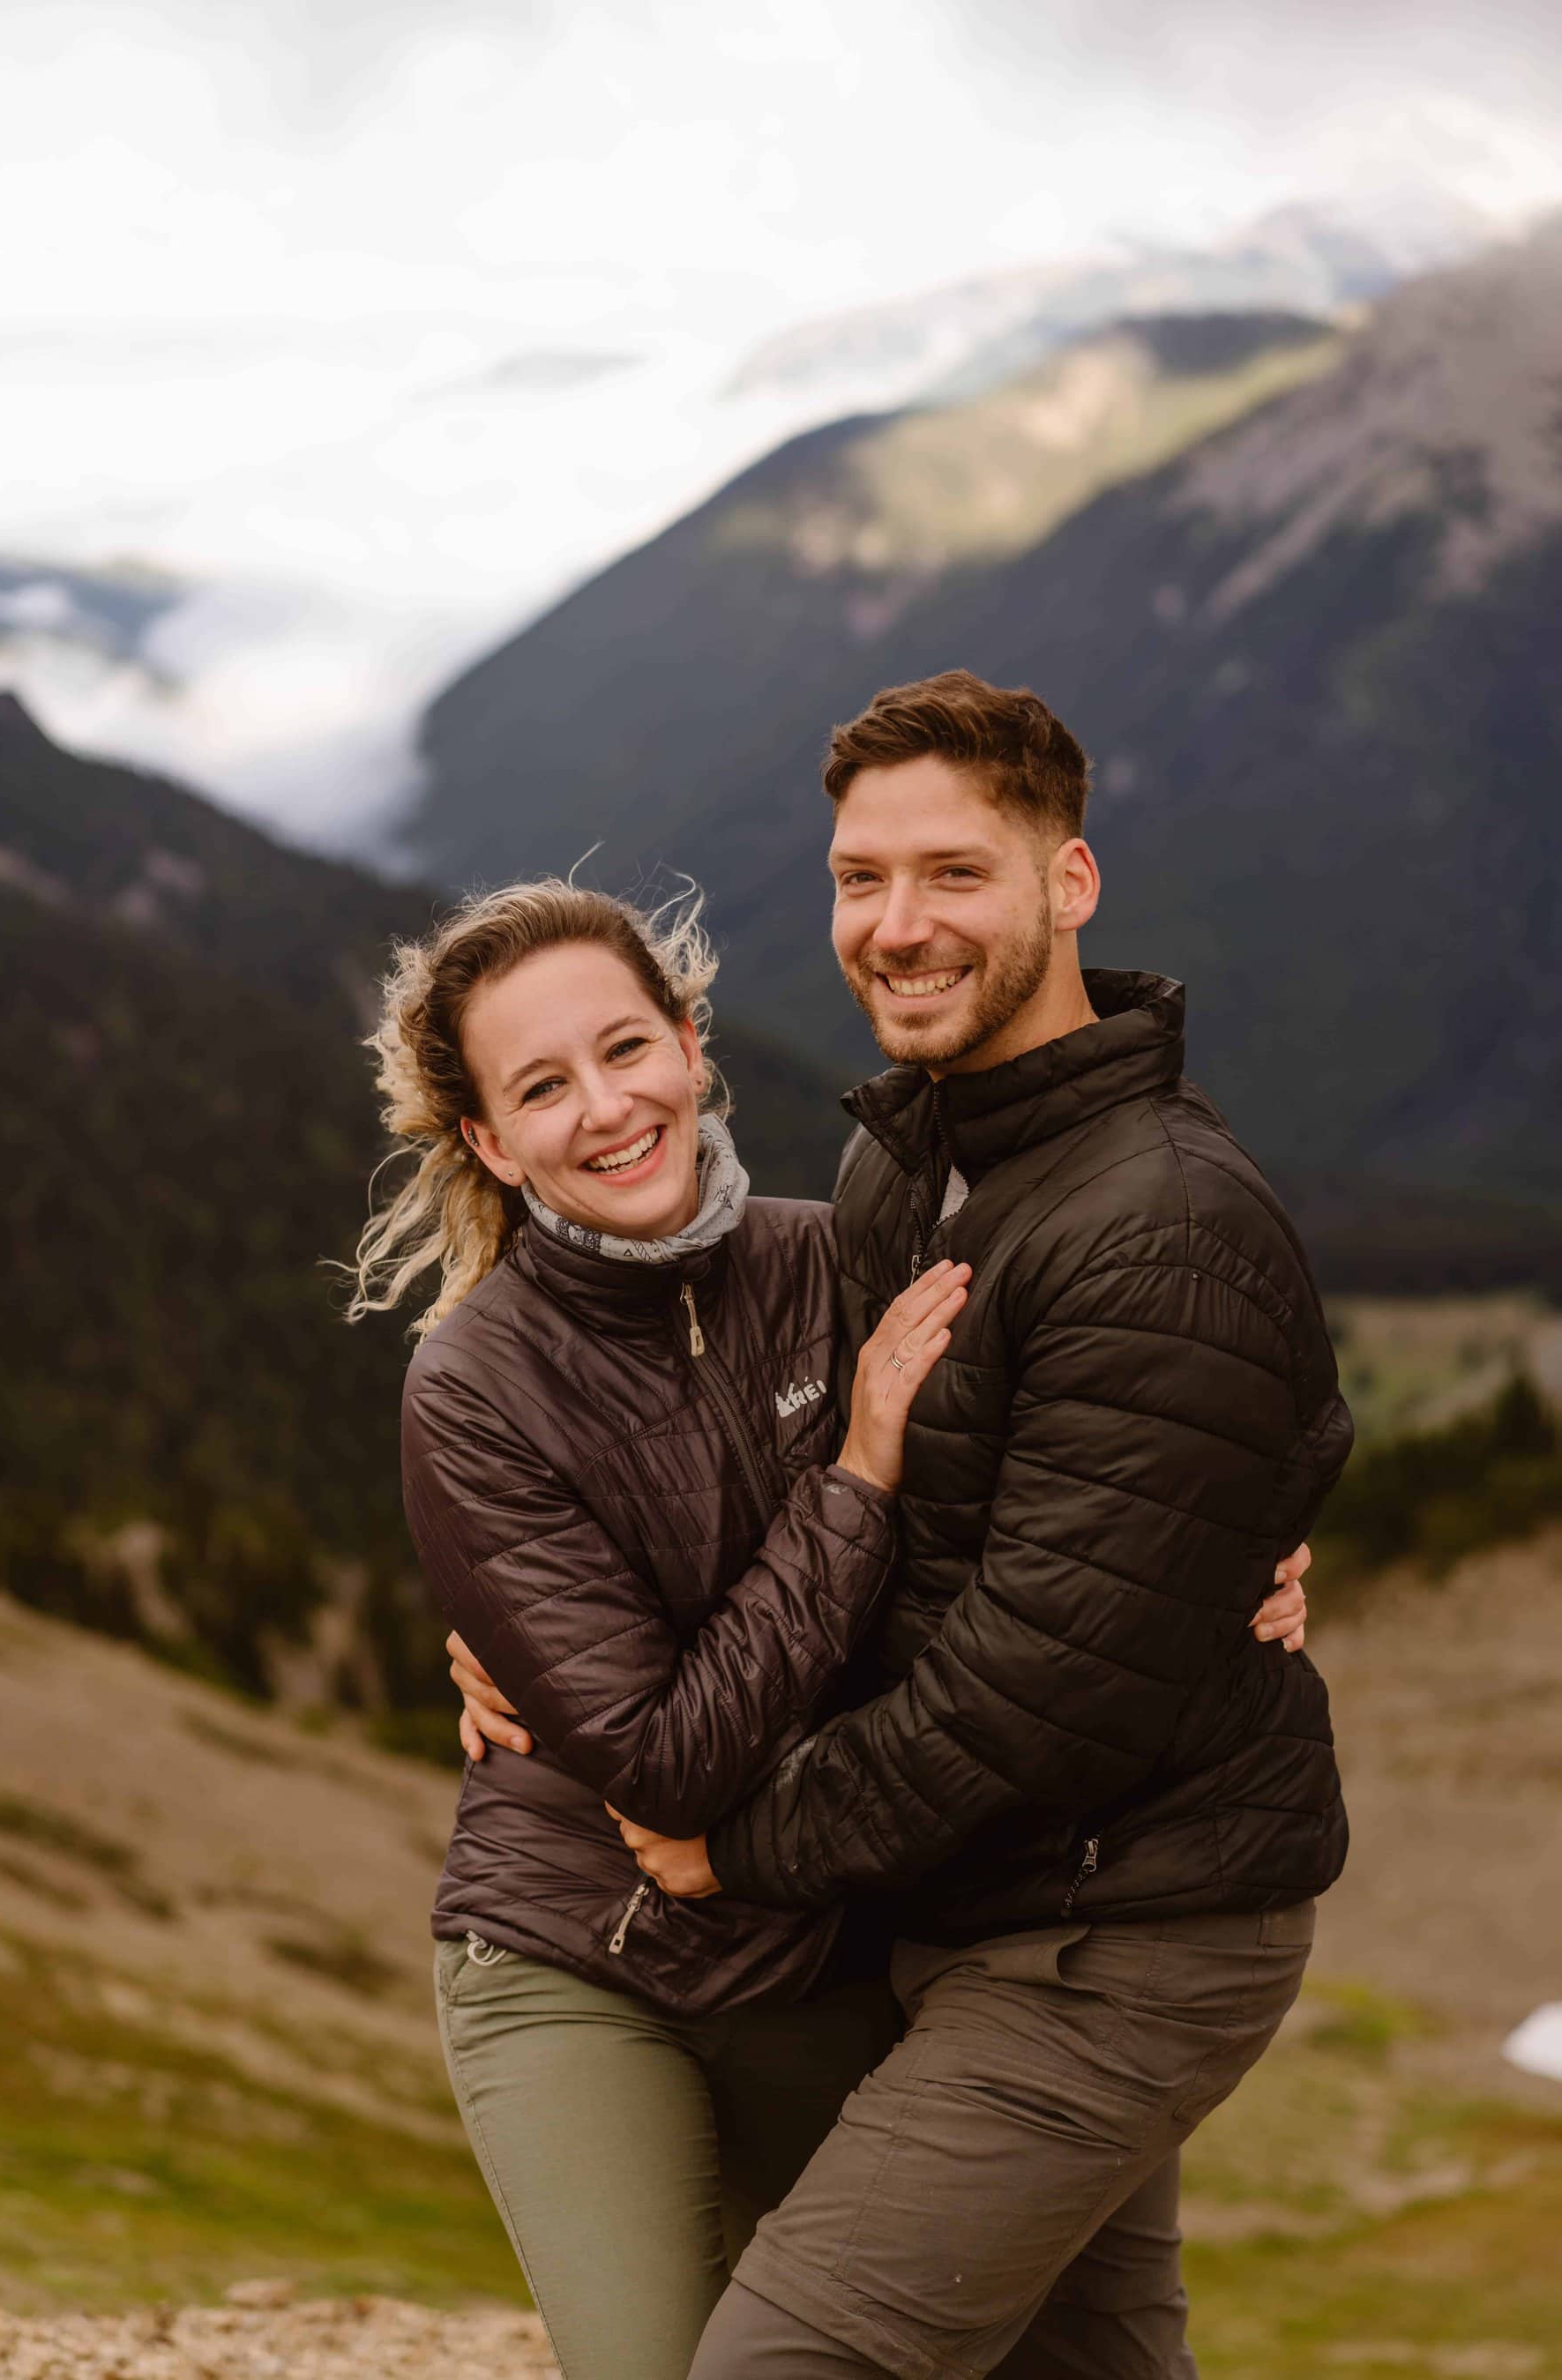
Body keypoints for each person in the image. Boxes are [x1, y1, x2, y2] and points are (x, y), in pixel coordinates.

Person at [352, 875, 1312, 2380]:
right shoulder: (475, 1384)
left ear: (690, 1041)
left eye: (626, 1049)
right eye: (541, 1088)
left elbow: (1132, 1415)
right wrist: (856, 1479)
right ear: (487, 1140)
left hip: (830, 1943)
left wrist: (1235, 1555)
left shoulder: (842, 1259)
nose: (606, 1109)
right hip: (583, 1953)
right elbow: (662, 1768)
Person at [596, 670, 1354, 2380]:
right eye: (862, 879)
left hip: (1117, 1926)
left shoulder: (1157, 1226)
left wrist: (742, 1843)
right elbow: (815, 1497)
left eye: (955, 873)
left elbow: (1036, 1688)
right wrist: (524, 1628)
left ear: (1068, 887)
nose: (896, 924)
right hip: (990, 1890)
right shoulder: (910, 1168)